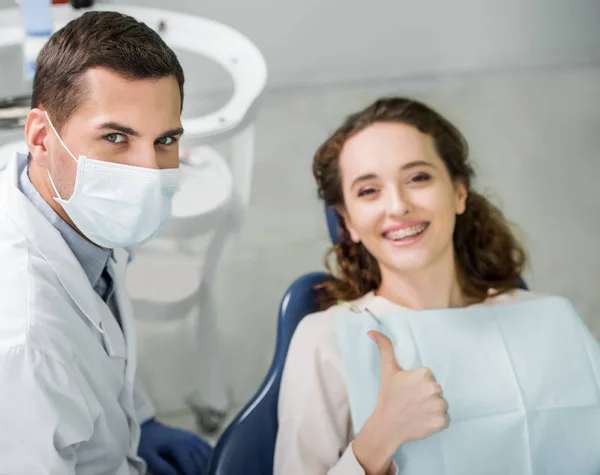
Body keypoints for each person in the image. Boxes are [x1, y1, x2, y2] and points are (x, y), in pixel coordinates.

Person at [274, 97, 600, 474]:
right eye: (368, 191)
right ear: (347, 222)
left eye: (418, 178)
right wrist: (379, 437)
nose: (397, 206)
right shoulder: (327, 337)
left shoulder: (550, 320)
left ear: (459, 192)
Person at [0, 11, 212, 475]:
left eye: (166, 139)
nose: (148, 174)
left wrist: (141, 419)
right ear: (40, 136)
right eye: (115, 137)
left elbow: (99, 339)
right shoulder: (26, 345)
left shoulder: (74, 210)